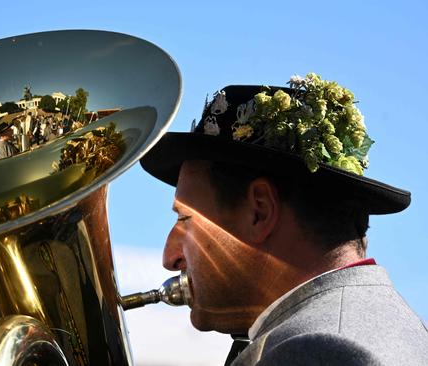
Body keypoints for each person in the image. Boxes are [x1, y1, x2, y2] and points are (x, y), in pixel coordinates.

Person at [139, 74, 428, 365]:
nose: (170, 258)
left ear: (259, 212)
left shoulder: (318, 350)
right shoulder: (392, 328)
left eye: (186, 219)